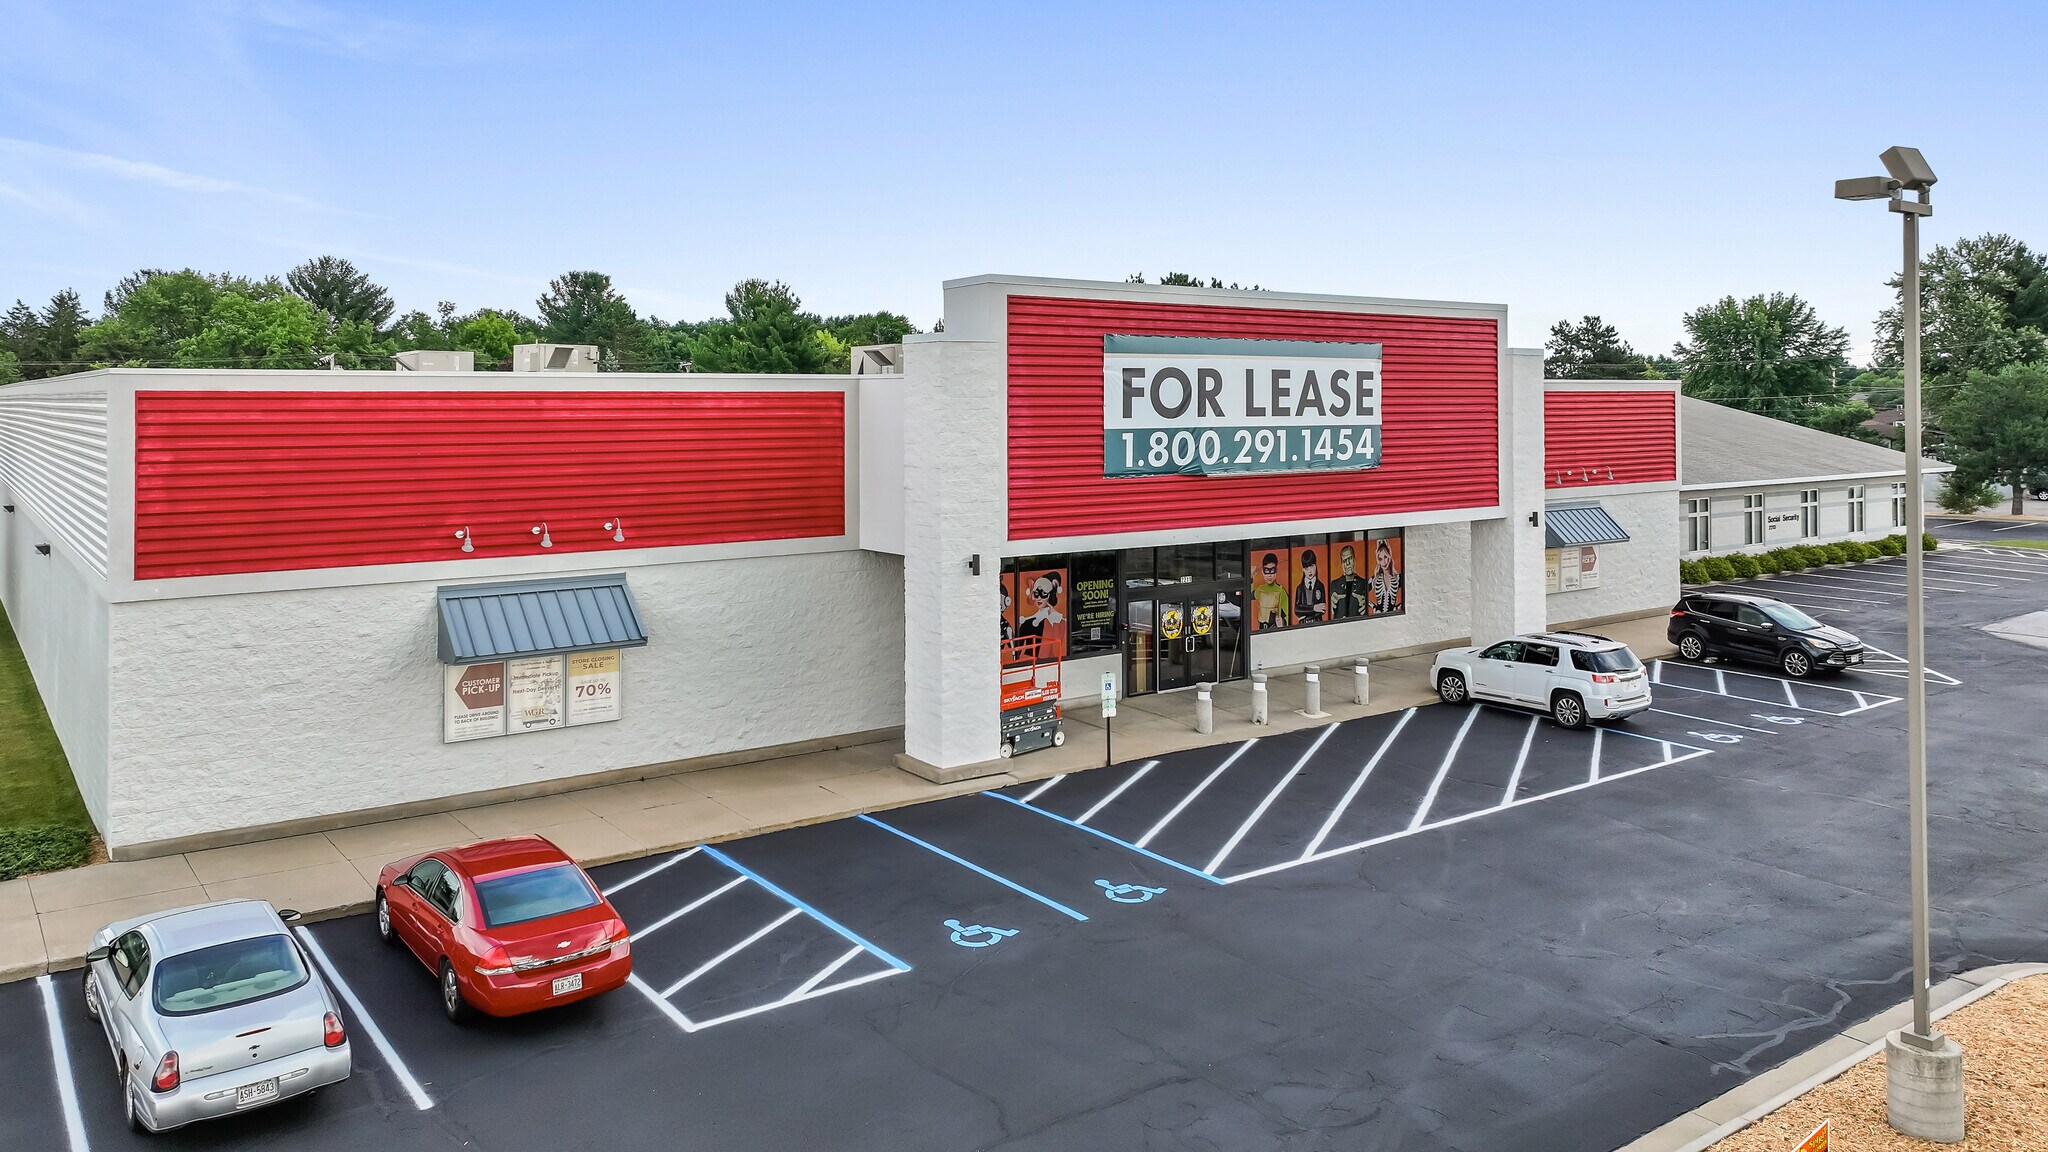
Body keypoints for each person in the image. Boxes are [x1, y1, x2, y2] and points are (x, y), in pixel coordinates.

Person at [1016, 571, 1066, 657]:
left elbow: (1056, 652)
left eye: (1043, 594)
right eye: (1036, 594)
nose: (1039, 598)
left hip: (1043, 663)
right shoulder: (1027, 622)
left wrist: (1056, 620)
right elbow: (1017, 650)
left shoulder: (1057, 620)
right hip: (1028, 662)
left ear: (1051, 595)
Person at [1329, 543, 1370, 620]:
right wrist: (1330, 603)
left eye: (1350, 558)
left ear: (1354, 560)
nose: (1347, 563)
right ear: (1342, 564)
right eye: (1344, 560)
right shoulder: (1334, 584)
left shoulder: (1363, 583)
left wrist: (1366, 606)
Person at [1251, 552, 1290, 630]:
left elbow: (1288, 613)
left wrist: (1283, 622)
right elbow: (1250, 595)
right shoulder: (1260, 589)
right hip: (1261, 629)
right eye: (1266, 571)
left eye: (1272, 570)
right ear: (1262, 571)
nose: (1269, 575)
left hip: (1274, 628)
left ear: (1276, 571)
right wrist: (1251, 577)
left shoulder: (1280, 591)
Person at [1369, 538, 1403, 615]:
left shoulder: (1398, 578)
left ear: (1389, 557)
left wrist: (1399, 607)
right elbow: (1361, 591)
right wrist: (1373, 607)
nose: (1383, 562)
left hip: (1394, 616)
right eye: (1380, 559)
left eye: (1385, 557)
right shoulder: (1375, 579)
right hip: (1377, 616)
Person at [1293, 548, 1328, 623]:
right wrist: (1314, 608)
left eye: (1311, 566)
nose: (1309, 571)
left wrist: (1306, 616)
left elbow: (1322, 609)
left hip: (1317, 623)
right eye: (1306, 568)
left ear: (1316, 565)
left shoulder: (1320, 586)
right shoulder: (1300, 588)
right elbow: (1297, 609)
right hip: (1303, 625)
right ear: (1303, 569)